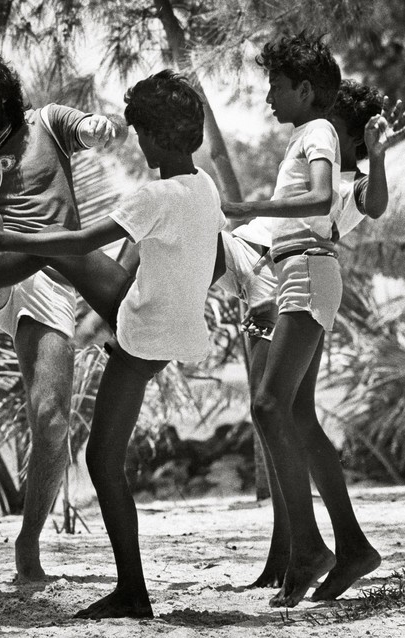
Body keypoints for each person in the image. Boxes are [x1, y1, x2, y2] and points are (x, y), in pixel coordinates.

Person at [0, 70, 224, 619]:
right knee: (104, 461)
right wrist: (170, 280)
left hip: (138, 325)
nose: (134, 141)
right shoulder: (203, 188)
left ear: (153, 138)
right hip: (160, 330)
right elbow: (218, 258)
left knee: (58, 251)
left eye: (137, 132)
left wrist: (5, 237)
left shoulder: (149, 190)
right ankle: (132, 592)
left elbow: (81, 240)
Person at [0, 46, 123, 581]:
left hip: (46, 282)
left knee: (52, 423)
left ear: (3, 91)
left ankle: (28, 544)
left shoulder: (48, 123)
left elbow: (90, 128)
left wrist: (102, 128)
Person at [219, 80, 404, 598]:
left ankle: (308, 548)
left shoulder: (344, 184)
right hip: (287, 270)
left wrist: (378, 154)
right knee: (294, 414)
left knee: (268, 406)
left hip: (301, 274)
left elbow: (375, 203)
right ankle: (351, 547)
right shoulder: (329, 172)